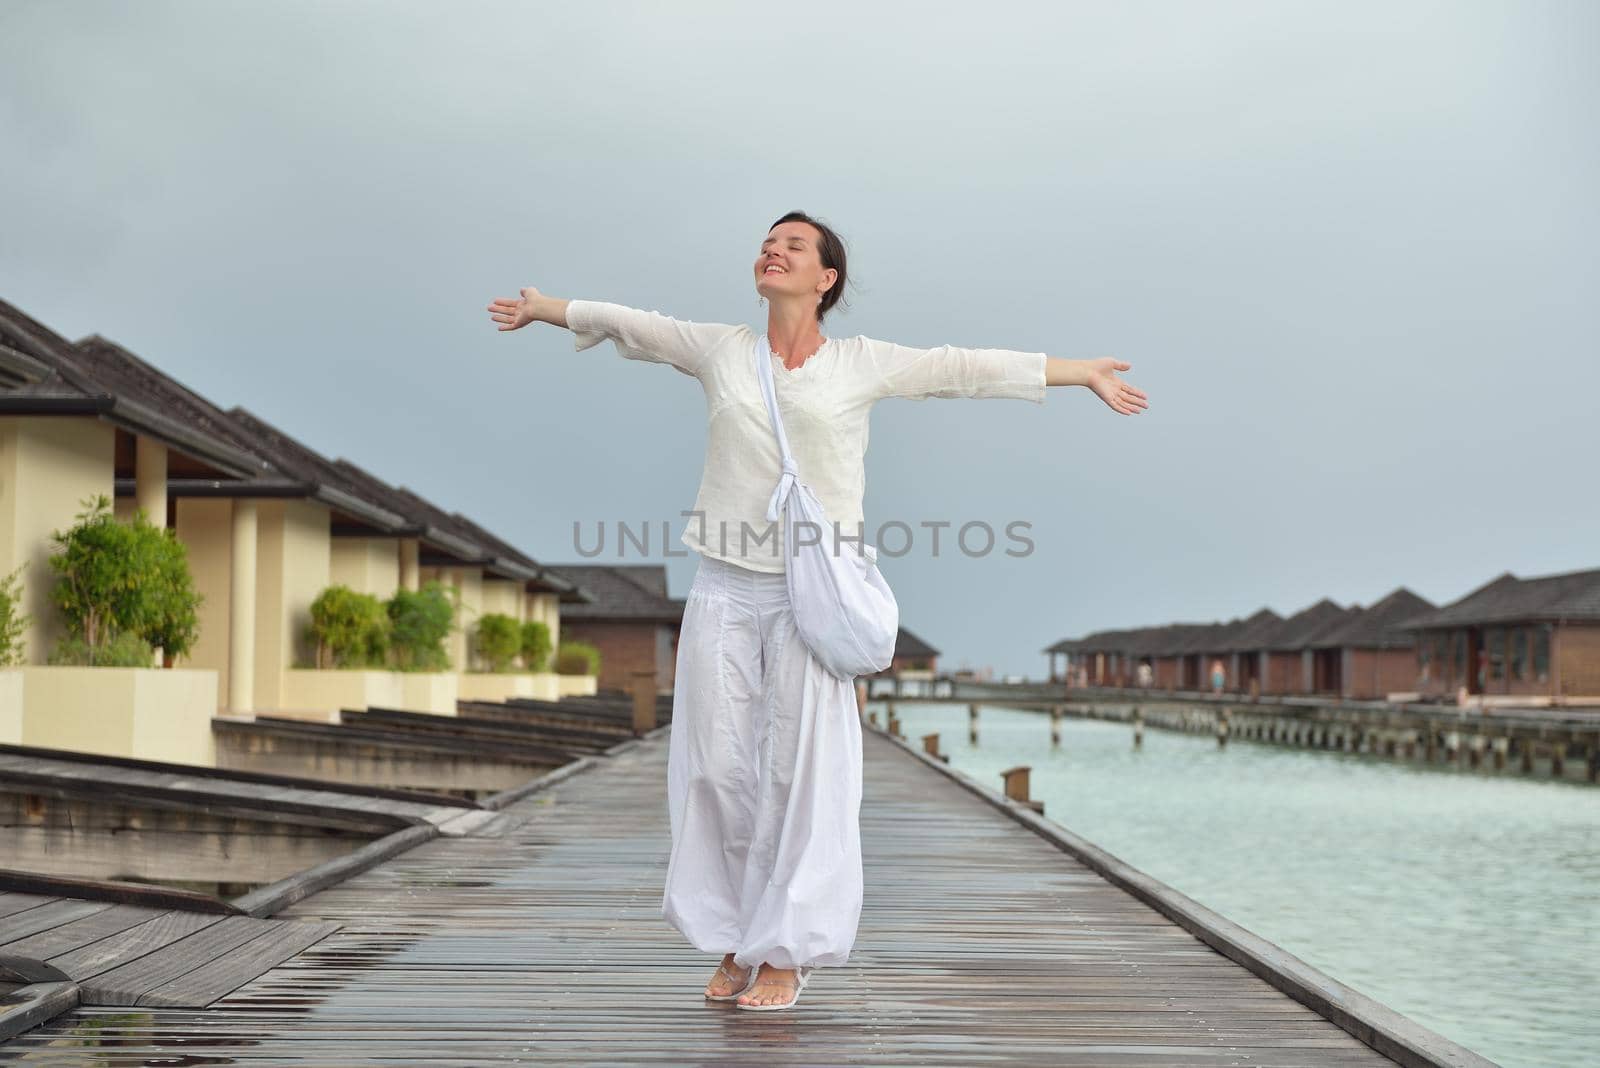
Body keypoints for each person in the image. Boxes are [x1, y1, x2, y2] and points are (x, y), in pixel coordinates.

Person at [486, 211, 1148, 1010]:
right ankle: (734, 935)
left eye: (794, 245)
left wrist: (1078, 372)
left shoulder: (860, 364)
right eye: (770, 240)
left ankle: (786, 952)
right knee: (716, 767)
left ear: (825, 277)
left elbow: (959, 366)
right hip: (725, 583)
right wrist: (548, 306)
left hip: (812, 592)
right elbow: (638, 326)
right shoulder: (722, 350)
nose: (775, 249)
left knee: (801, 774)